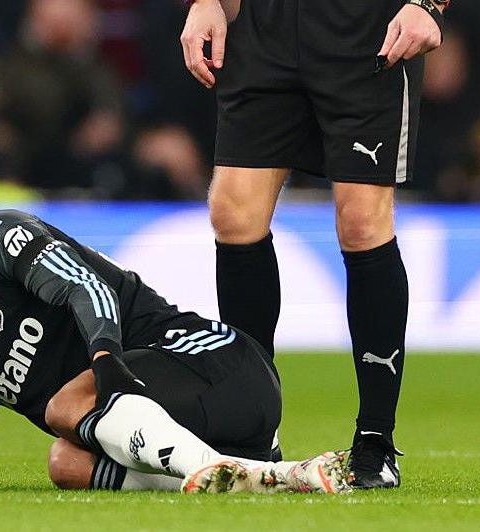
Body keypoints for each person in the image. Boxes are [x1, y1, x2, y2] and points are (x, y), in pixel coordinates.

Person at [0, 209, 352, 493]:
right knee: (65, 462)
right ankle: (260, 477)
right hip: (198, 427)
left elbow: (84, 287)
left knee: (64, 408)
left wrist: (106, 362)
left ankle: (215, 470)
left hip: (223, 367)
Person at [179, 0, 450, 488]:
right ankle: (253, 431)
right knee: (233, 213)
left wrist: (428, 4)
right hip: (262, 26)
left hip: (368, 31)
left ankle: (375, 440)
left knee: (362, 223)